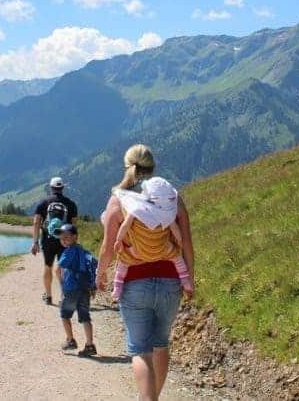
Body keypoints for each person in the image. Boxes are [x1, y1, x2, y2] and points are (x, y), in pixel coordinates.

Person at [96, 144, 195, 401]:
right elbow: (186, 242)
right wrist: (189, 280)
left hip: (134, 282)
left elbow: (108, 246)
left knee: (141, 350)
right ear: (153, 167)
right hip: (171, 281)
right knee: (161, 343)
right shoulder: (172, 197)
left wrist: (101, 273)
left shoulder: (119, 199)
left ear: (128, 166)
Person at [111, 177, 193, 300]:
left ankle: (117, 287)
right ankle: (185, 280)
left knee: (124, 260)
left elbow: (125, 226)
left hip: (139, 250)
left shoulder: (135, 209)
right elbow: (175, 230)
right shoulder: (168, 213)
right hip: (162, 250)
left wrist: (118, 240)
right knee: (177, 258)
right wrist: (180, 241)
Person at [31, 176, 78, 305]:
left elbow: (36, 222)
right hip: (65, 240)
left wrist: (35, 242)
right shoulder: (71, 204)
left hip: (48, 239)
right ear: (62, 188)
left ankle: (49, 296)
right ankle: (64, 297)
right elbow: (74, 225)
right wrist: (73, 243)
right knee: (62, 268)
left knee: (48, 267)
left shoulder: (43, 203)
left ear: (51, 188)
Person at [55, 223, 97, 357]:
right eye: (61, 238)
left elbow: (58, 269)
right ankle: (90, 345)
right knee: (85, 317)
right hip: (84, 288)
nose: (63, 240)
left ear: (75, 237)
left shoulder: (69, 251)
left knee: (64, 314)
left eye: (66, 237)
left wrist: (62, 284)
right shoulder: (83, 250)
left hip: (71, 289)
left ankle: (70, 340)